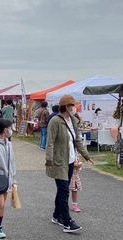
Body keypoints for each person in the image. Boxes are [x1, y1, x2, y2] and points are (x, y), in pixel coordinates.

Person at [45, 94, 94, 233]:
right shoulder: (55, 121)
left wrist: (86, 155)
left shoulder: (73, 120)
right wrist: (49, 160)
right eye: (72, 105)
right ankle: (67, 222)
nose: (75, 107)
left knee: (63, 189)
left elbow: (77, 140)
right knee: (64, 191)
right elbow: (50, 143)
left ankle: (56, 215)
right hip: (59, 161)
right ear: (66, 107)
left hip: (71, 160)